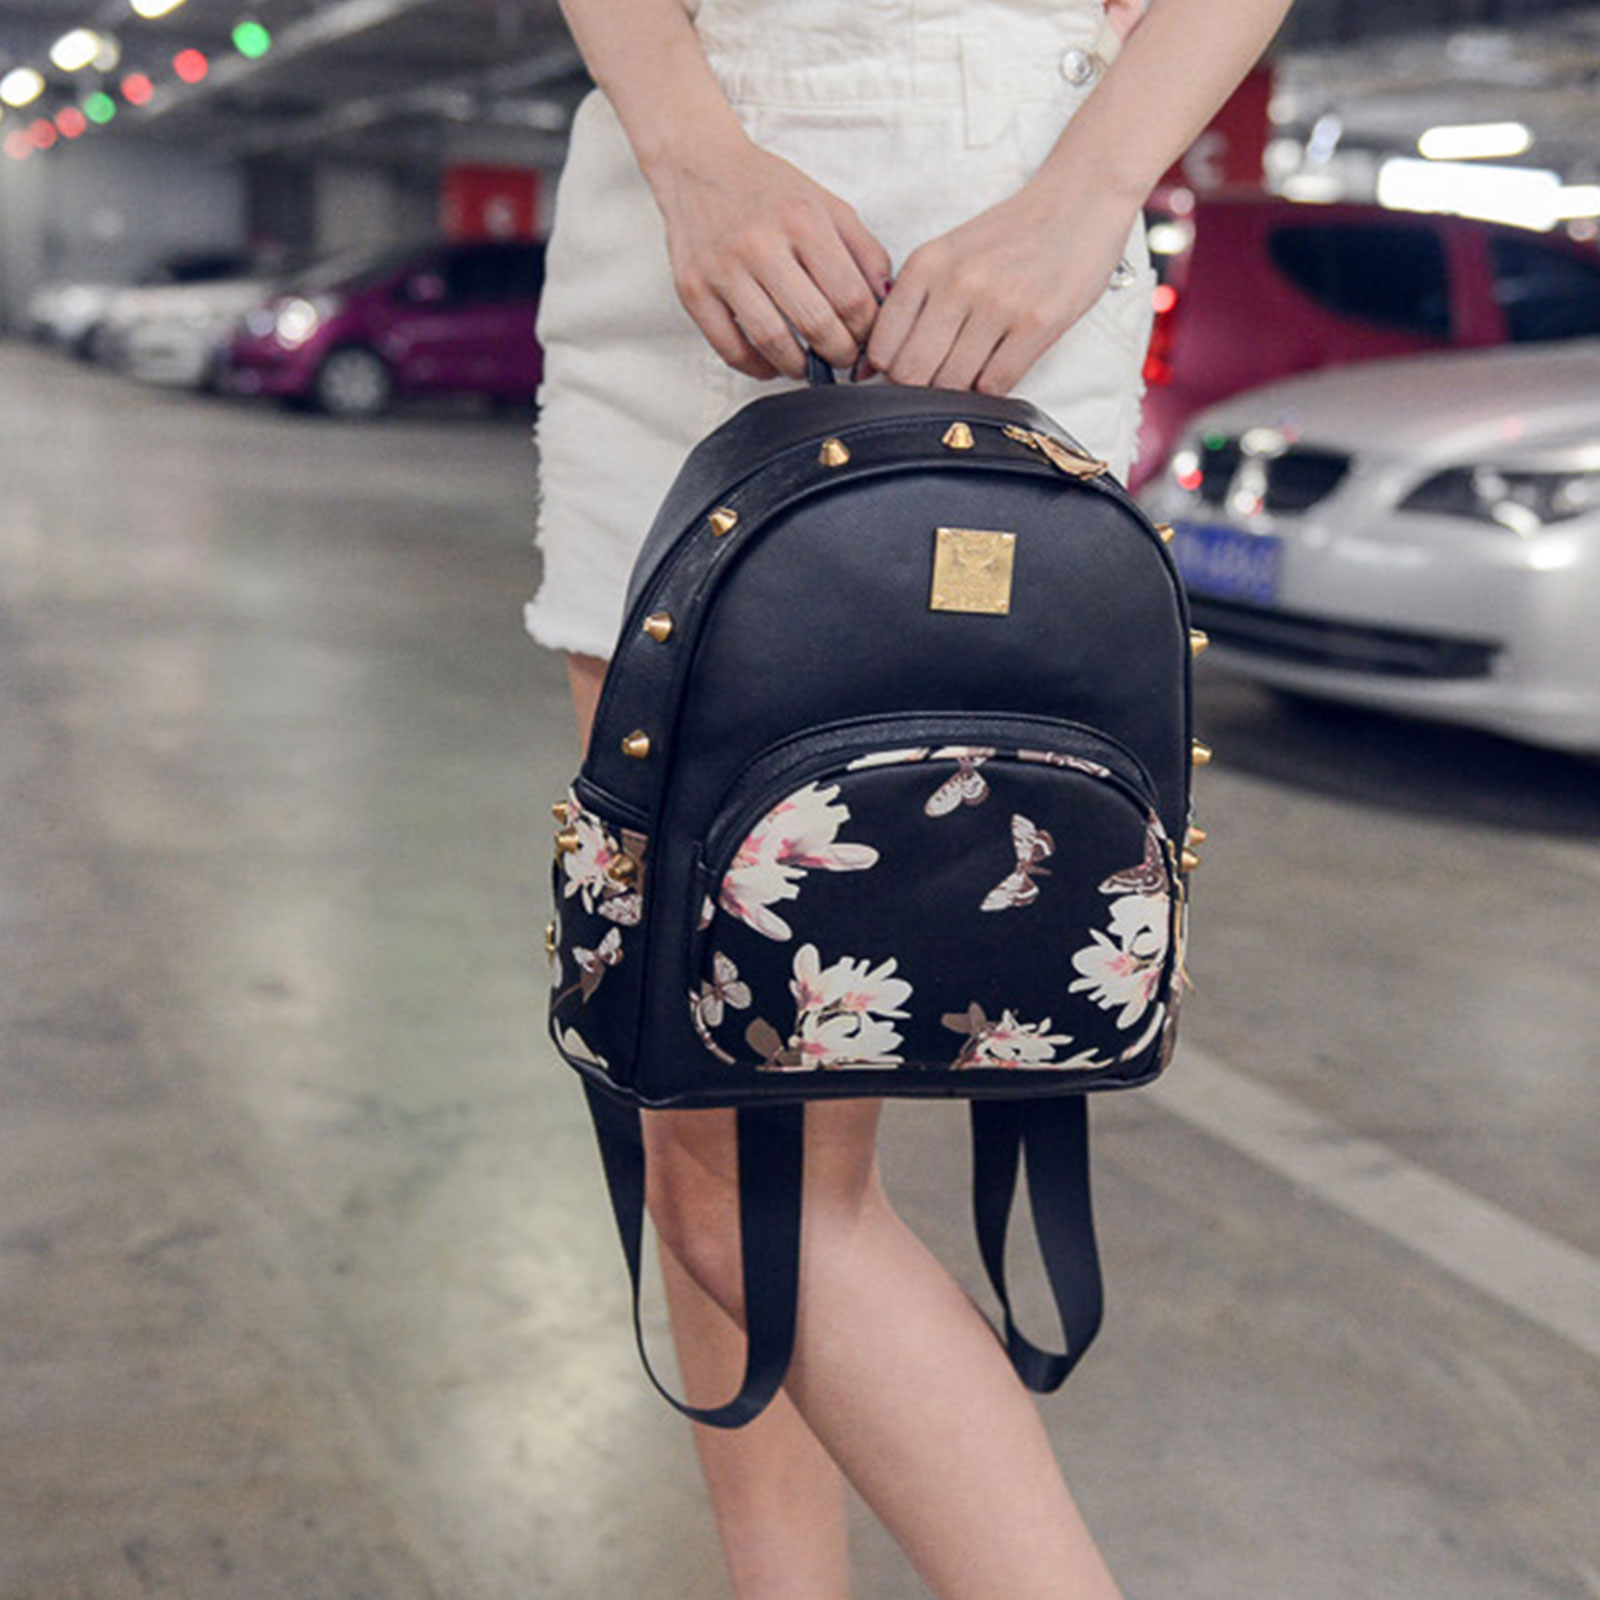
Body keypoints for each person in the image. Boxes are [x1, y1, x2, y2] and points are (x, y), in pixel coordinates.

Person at [527, 3, 1293, 1596]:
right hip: (686, 211)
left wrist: (1090, 188)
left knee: (745, 1188)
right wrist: (692, 152)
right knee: (699, 1099)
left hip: (994, 213)